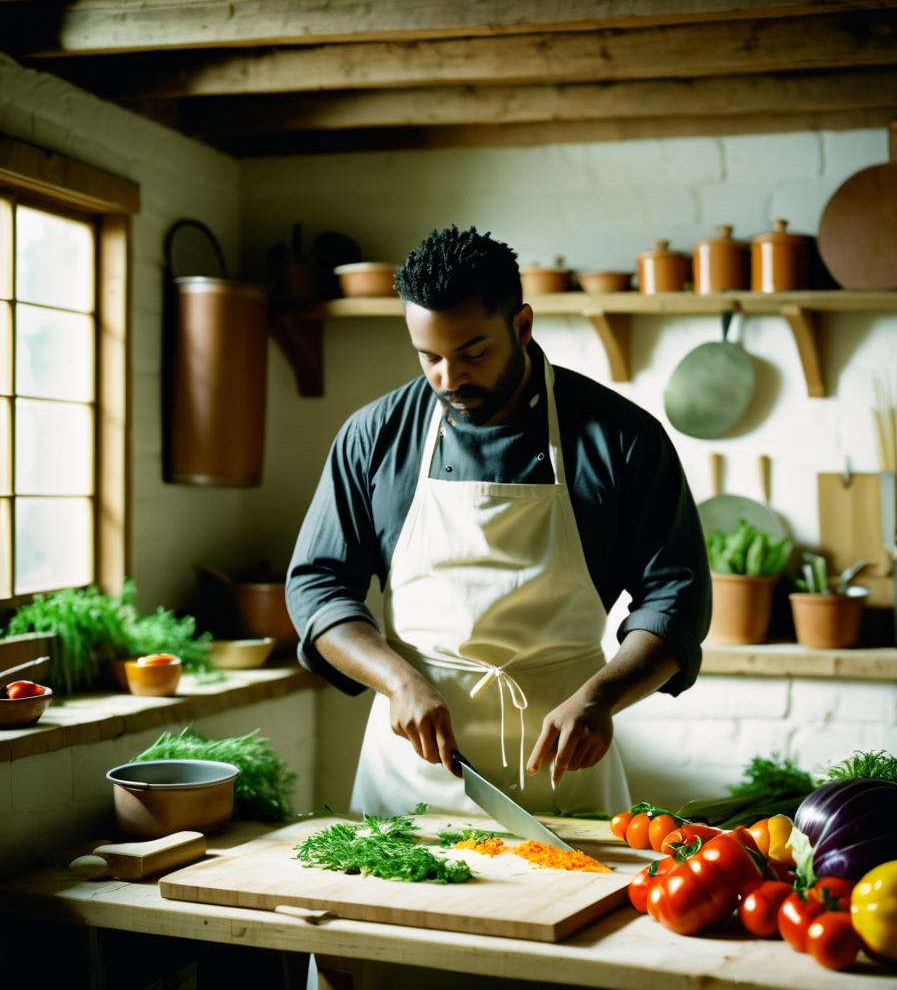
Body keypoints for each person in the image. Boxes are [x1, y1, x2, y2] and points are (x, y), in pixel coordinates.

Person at [286, 224, 710, 819]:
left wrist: (601, 699)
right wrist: (396, 681)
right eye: (429, 357)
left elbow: (676, 595)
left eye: (473, 353)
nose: (449, 379)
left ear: (522, 326)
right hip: (411, 768)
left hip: (567, 762)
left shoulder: (622, 439)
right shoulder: (374, 436)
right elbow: (317, 585)